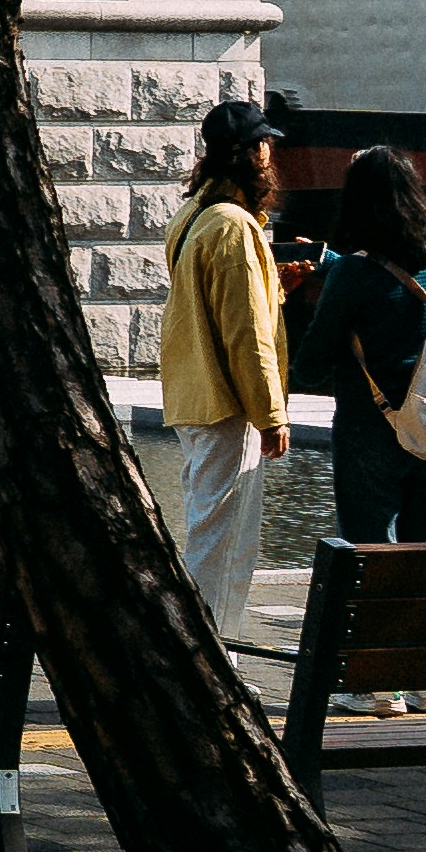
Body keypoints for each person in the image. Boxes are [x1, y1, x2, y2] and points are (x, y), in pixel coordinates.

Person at [296, 146, 426, 713]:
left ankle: (378, 685)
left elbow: (312, 362)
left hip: (371, 431)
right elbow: (404, 293)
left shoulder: (354, 273)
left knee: (372, 548)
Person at [161, 98, 292, 641]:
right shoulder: (235, 226)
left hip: (193, 394)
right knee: (223, 546)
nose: (271, 154)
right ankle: (206, 657)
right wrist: (271, 414)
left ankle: (217, 654)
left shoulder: (193, 214)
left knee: (212, 533)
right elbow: (246, 334)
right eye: (267, 145)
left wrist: (273, 282)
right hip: (227, 404)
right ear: (254, 154)